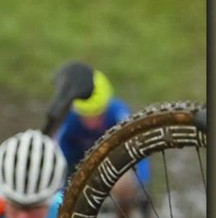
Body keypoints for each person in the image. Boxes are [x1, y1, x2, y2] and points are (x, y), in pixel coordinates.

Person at [54, 67, 151, 209]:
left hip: (113, 166)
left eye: (97, 115)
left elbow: (139, 151)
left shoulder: (118, 112)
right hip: (78, 165)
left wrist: (142, 184)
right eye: (86, 116)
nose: (92, 123)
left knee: (129, 189)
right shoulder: (71, 118)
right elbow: (58, 152)